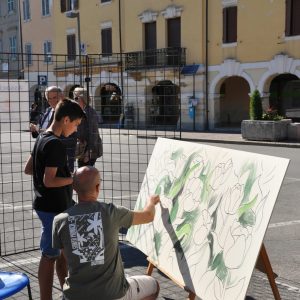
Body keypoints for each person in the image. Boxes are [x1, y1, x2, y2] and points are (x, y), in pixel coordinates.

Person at [52, 166, 160, 300]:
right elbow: (148, 215)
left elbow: (61, 263)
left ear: (74, 188)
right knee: (154, 286)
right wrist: (151, 201)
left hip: (75, 296)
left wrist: (67, 292)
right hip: (113, 295)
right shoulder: (111, 212)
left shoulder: (59, 220)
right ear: (97, 187)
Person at [24, 99, 86, 300]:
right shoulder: (56, 144)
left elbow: (28, 169)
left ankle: (67, 292)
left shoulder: (42, 137)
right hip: (53, 209)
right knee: (50, 255)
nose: (76, 129)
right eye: (75, 124)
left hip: (47, 206)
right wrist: (72, 179)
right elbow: (49, 181)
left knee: (60, 253)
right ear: (66, 119)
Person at [73, 87, 103, 167]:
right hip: (82, 149)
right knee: (83, 173)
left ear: (83, 98)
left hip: (89, 151)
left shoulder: (89, 112)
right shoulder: (82, 111)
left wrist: (88, 153)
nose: (74, 100)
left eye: (76, 98)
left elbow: (93, 134)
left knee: (85, 174)